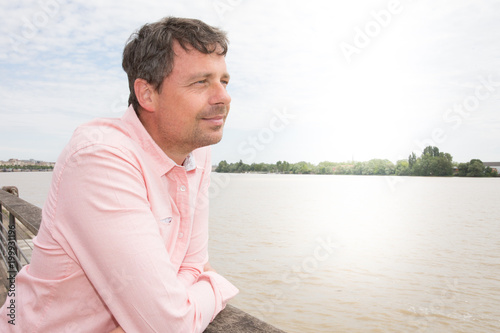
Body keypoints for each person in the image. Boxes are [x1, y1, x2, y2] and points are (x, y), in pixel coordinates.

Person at [0, 17, 238, 332]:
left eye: (224, 81)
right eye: (200, 82)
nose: (223, 97)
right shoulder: (99, 159)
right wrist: (218, 286)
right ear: (147, 94)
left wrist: (164, 307)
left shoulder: (197, 152)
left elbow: (192, 263)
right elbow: (168, 325)